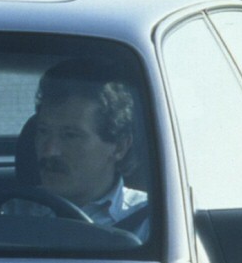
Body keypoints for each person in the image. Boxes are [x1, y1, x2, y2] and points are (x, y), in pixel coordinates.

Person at [17, 59, 149, 236]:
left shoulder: (152, 223)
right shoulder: (2, 213)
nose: (49, 150)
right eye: (43, 132)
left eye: (70, 136)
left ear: (119, 147)